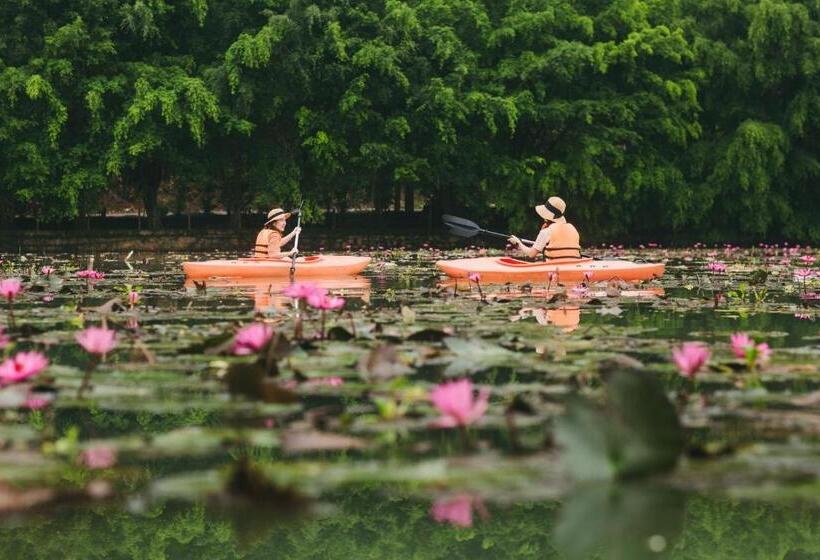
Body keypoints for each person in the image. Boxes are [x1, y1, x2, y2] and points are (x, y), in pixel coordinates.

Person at [507, 196, 581, 260]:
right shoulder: (573, 228)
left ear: (546, 218)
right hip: (573, 266)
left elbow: (531, 254)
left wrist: (518, 243)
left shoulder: (546, 232)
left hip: (555, 267)